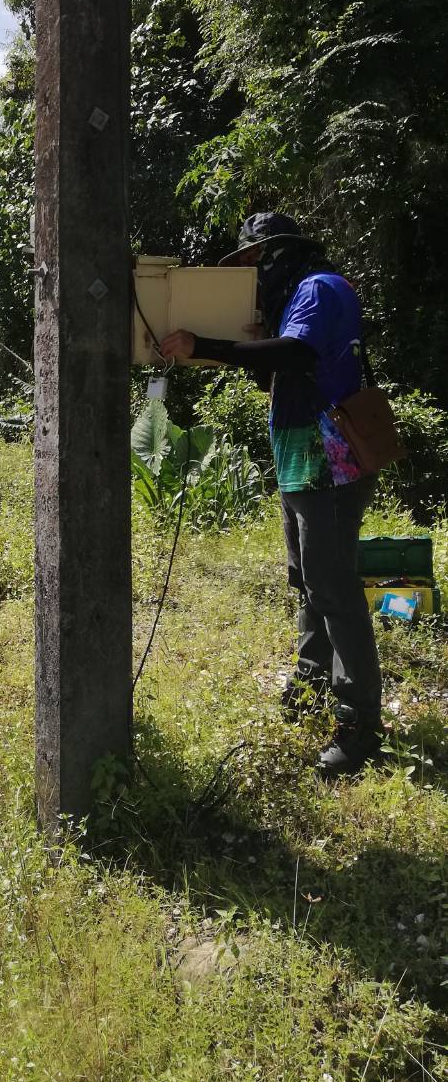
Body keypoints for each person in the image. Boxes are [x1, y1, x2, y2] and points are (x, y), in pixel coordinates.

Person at [160, 213, 383, 776]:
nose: (251, 274)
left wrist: (207, 344)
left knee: (331, 585)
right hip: (301, 459)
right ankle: (311, 681)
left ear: (280, 253)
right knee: (307, 579)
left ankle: (359, 724)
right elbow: (283, 369)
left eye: (255, 261)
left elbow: (295, 356)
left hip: (327, 462)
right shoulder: (296, 299)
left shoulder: (318, 287)